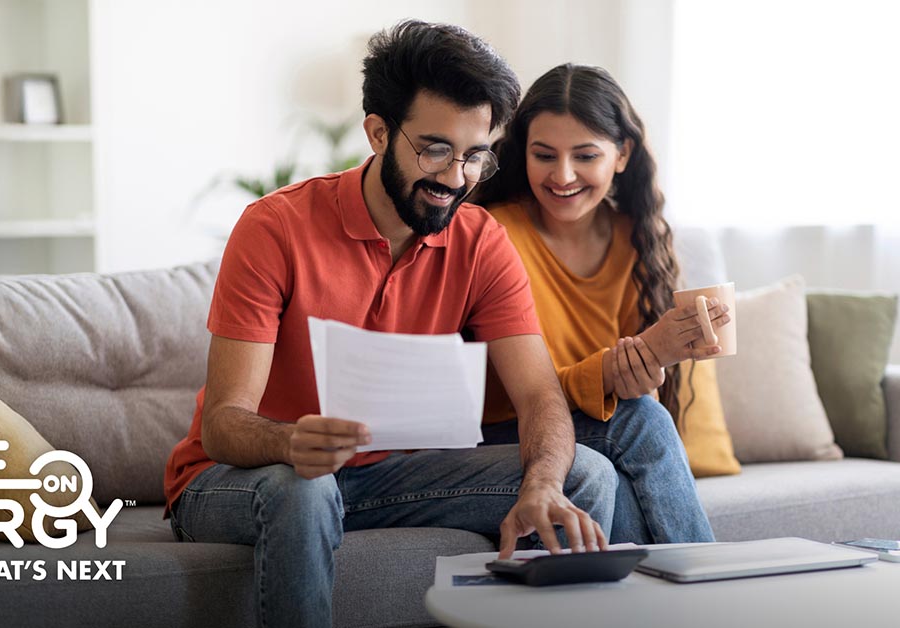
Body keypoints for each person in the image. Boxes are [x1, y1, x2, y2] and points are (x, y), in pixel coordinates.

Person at [163, 24, 618, 628]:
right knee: (306, 487)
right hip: (242, 479)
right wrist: (289, 441)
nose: (456, 177)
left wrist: (540, 483)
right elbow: (222, 426)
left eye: (475, 155)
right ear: (378, 132)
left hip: (389, 477)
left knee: (584, 473)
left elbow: (538, 394)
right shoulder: (275, 228)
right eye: (434, 149)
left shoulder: (482, 242)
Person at [473, 64, 726, 544]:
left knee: (623, 468)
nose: (563, 175)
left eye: (585, 155)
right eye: (544, 155)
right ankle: (709, 591)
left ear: (623, 153)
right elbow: (517, 395)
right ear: (520, 153)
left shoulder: (639, 239)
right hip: (511, 431)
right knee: (642, 421)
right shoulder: (495, 233)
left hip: (600, 433)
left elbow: (627, 400)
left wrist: (642, 372)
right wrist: (612, 374)